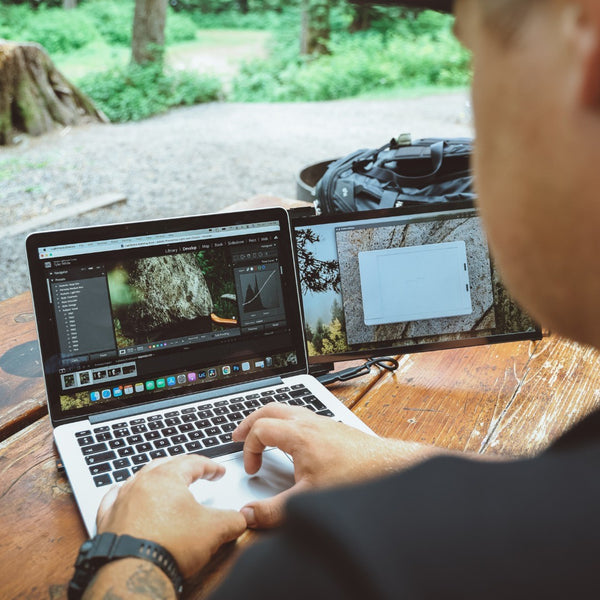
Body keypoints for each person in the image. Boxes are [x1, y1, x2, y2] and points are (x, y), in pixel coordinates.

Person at [77, 0, 600, 597]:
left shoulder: (349, 567)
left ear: (588, 41)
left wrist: (133, 551)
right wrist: (396, 463)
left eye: (471, 54)